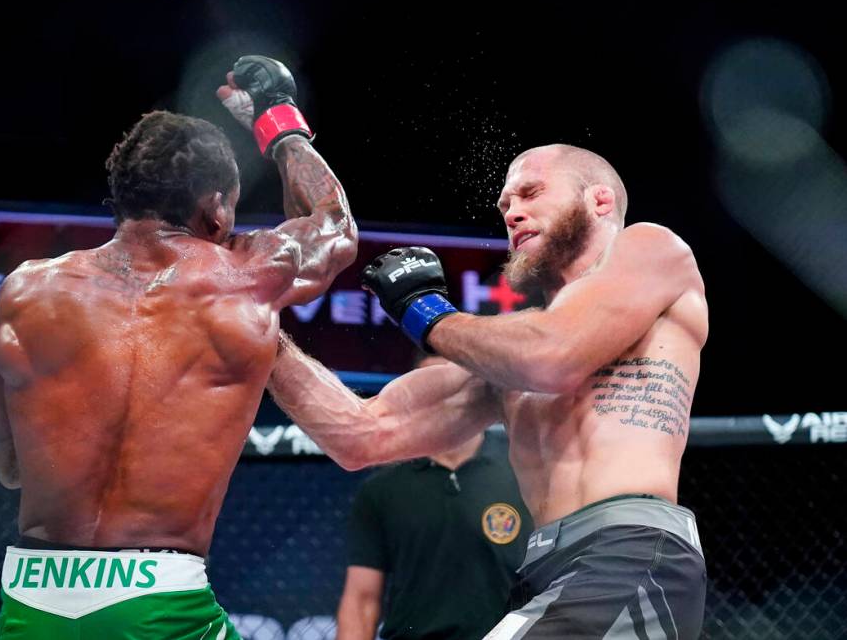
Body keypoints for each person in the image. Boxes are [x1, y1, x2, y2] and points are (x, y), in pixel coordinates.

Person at [0, 55, 357, 639]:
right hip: (159, 603)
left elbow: (7, 467)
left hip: (32, 600)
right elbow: (333, 225)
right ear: (216, 205)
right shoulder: (247, 274)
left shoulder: (25, 289)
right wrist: (278, 121)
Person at [268, 144, 709, 639]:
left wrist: (423, 312)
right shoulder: (512, 348)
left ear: (599, 201)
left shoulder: (652, 250)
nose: (513, 212)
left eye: (531, 193)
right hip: (548, 570)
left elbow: (554, 358)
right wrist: (254, 327)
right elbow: (361, 433)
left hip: (627, 553)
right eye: (504, 206)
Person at [337, 357, 532, 640]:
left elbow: (556, 577)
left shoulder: (525, 465)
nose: (442, 398)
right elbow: (361, 598)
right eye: (430, 387)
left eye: (451, 385)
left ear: (475, 389)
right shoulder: (382, 488)